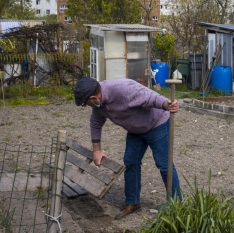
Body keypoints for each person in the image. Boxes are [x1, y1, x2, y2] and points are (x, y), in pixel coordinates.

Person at [74, 76, 181, 220]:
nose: (87, 107)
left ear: (94, 98)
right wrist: (96, 150)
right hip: (136, 130)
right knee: (130, 161)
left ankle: (177, 205)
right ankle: (133, 202)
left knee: (164, 163)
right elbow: (95, 123)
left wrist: (166, 104)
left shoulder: (123, 89)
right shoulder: (99, 105)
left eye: (86, 104)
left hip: (156, 123)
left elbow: (150, 96)